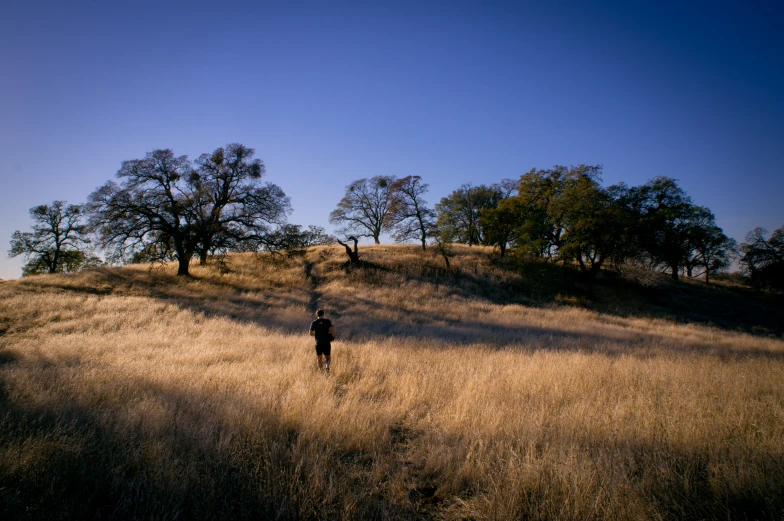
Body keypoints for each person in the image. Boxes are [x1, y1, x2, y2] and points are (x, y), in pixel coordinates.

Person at [309, 309, 335, 373]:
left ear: (317, 315)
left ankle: (321, 371)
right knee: (328, 357)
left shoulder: (314, 322)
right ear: (323, 314)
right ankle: (327, 367)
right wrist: (334, 336)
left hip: (318, 342)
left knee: (319, 357)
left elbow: (310, 333)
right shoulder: (327, 321)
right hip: (326, 342)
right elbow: (331, 330)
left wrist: (317, 334)